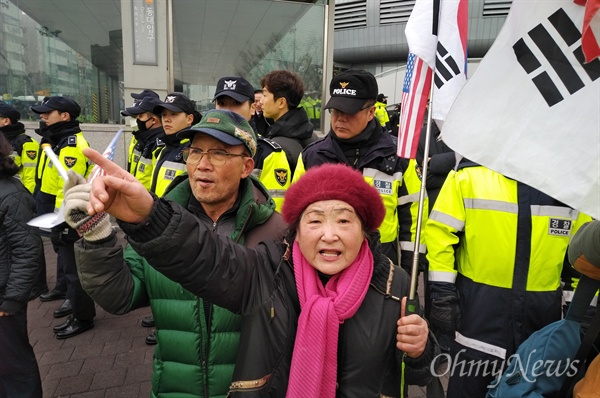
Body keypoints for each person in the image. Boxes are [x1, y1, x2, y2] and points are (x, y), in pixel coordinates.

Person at [65, 157, 438, 397]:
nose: (329, 234)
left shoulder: (394, 284)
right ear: (296, 230)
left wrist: (421, 349)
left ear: (364, 231)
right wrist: (148, 215)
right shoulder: (269, 270)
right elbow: (204, 257)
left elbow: (421, 372)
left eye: (344, 220)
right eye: (315, 220)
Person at [66, 109, 287, 397]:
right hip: (174, 389)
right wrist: (96, 237)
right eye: (195, 152)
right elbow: (120, 296)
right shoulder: (160, 225)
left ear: (247, 167)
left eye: (218, 153)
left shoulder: (277, 232)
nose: (201, 165)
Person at [425, 162, 593, 397]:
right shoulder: (470, 176)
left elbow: (585, 260)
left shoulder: (572, 189)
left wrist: (581, 314)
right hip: (478, 322)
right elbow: (439, 234)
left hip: (540, 330)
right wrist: (442, 292)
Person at [294, 69, 424, 274]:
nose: (340, 119)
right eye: (336, 111)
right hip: (325, 265)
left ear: (371, 112)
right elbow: (296, 216)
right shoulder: (312, 156)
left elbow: (414, 221)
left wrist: (408, 274)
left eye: (349, 112)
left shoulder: (399, 158)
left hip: (380, 268)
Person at [30, 96, 96, 339]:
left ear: (65, 116)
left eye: (49, 113)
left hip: (67, 216)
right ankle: (76, 309)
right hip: (59, 214)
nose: (42, 117)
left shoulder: (70, 145)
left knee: (74, 270)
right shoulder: (57, 142)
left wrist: (62, 221)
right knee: (69, 267)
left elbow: (68, 189)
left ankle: (82, 317)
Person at [0, 133, 44, 398]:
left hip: (4, 296)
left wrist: (12, 300)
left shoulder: (11, 194)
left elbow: (28, 251)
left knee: (13, 367)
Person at [213, 76, 292, 211]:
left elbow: (274, 213)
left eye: (236, 103)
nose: (227, 111)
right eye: (221, 103)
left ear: (252, 108)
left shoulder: (269, 154)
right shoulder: (199, 148)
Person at [0, 101, 48, 300]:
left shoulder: (24, 142)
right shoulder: (6, 140)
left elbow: (30, 174)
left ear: (6, 120)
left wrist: (25, 198)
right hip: (10, 199)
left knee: (28, 244)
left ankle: (39, 284)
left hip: (19, 200)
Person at [259, 70, 318, 173]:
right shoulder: (311, 135)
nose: (260, 101)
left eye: (264, 95)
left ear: (281, 102)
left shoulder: (277, 147)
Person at [150, 92, 201, 197]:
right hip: (157, 211)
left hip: (177, 213)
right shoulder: (164, 147)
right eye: (164, 114)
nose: (166, 119)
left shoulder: (194, 149)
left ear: (189, 119)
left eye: (173, 114)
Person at [122, 95, 165, 191]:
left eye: (140, 116)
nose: (137, 120)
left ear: (153, 120)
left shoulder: (159, 144)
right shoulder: (146, 139)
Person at [0, 101, 40, 194]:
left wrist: (27, 200)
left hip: (14, 197)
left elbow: (30, 179)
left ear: (6, 121)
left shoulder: (27, 143)